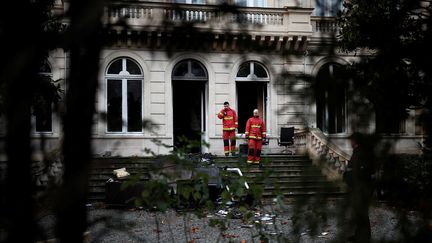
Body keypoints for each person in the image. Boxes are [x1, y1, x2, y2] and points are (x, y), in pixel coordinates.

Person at [345, 132, 374, 243]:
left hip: (362, 188)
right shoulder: (358, 152)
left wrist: (350, 178)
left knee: (362, 213)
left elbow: (361, 172)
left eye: (351, 140)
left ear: (355, 141)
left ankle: (364, 238)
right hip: (359, 188)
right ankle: (359, 235)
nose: (350, 142)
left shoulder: (361, 153)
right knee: (358, 213)